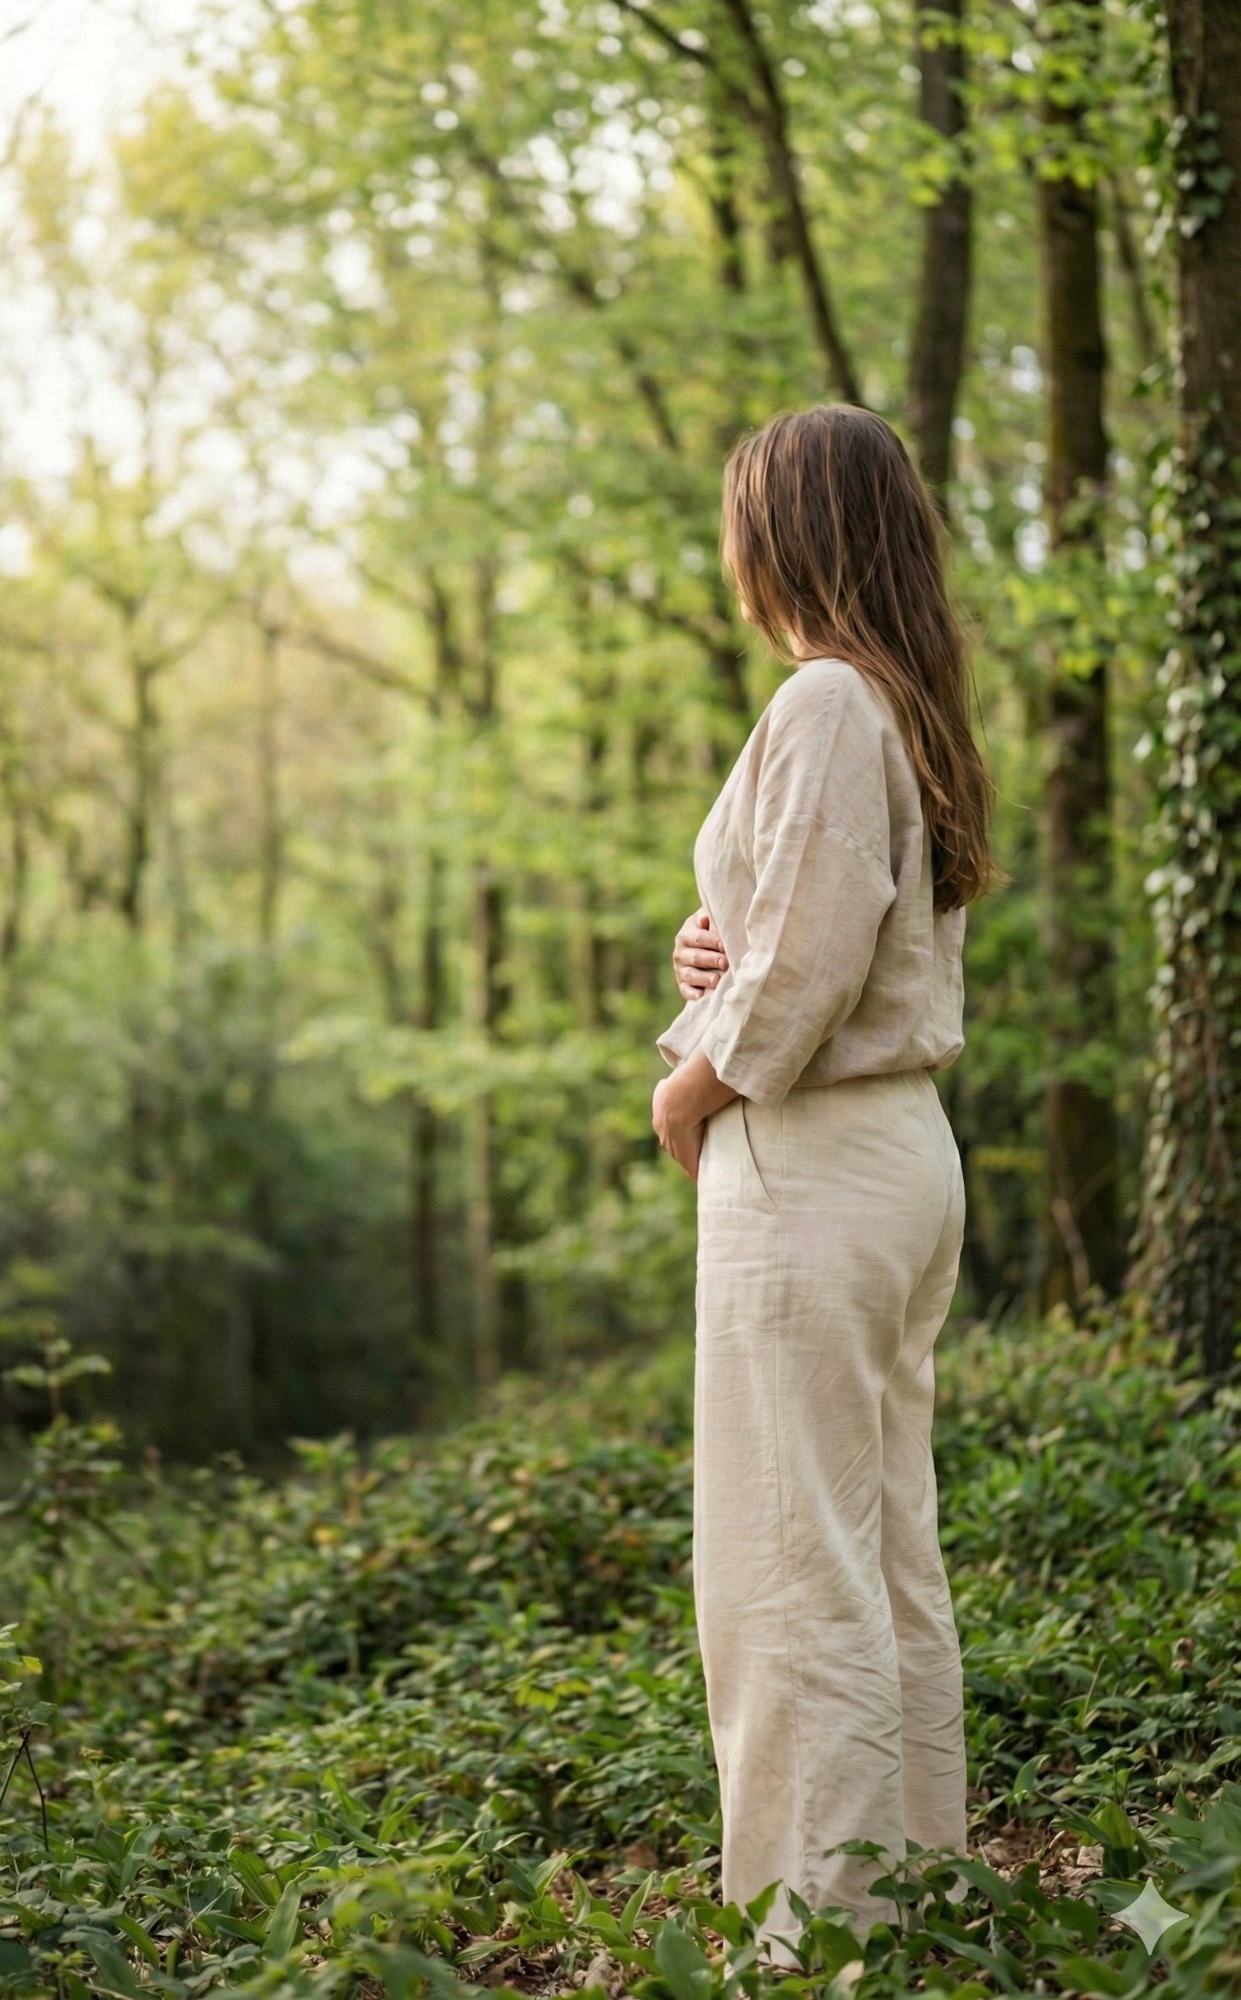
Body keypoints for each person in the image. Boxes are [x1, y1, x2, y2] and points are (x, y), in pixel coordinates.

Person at [650, 404, 996, 1964]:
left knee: (789, 1559)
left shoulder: (823, 703)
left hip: (814, 1166)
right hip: (898, 1156)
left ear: (778, 533)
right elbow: (798, 929)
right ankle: (914, 1894)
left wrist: (688, 1087)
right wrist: (701, 953)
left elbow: (796, 972)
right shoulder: (894, 707)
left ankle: (821, 1940)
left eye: (744, 514)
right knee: (878, 1544)